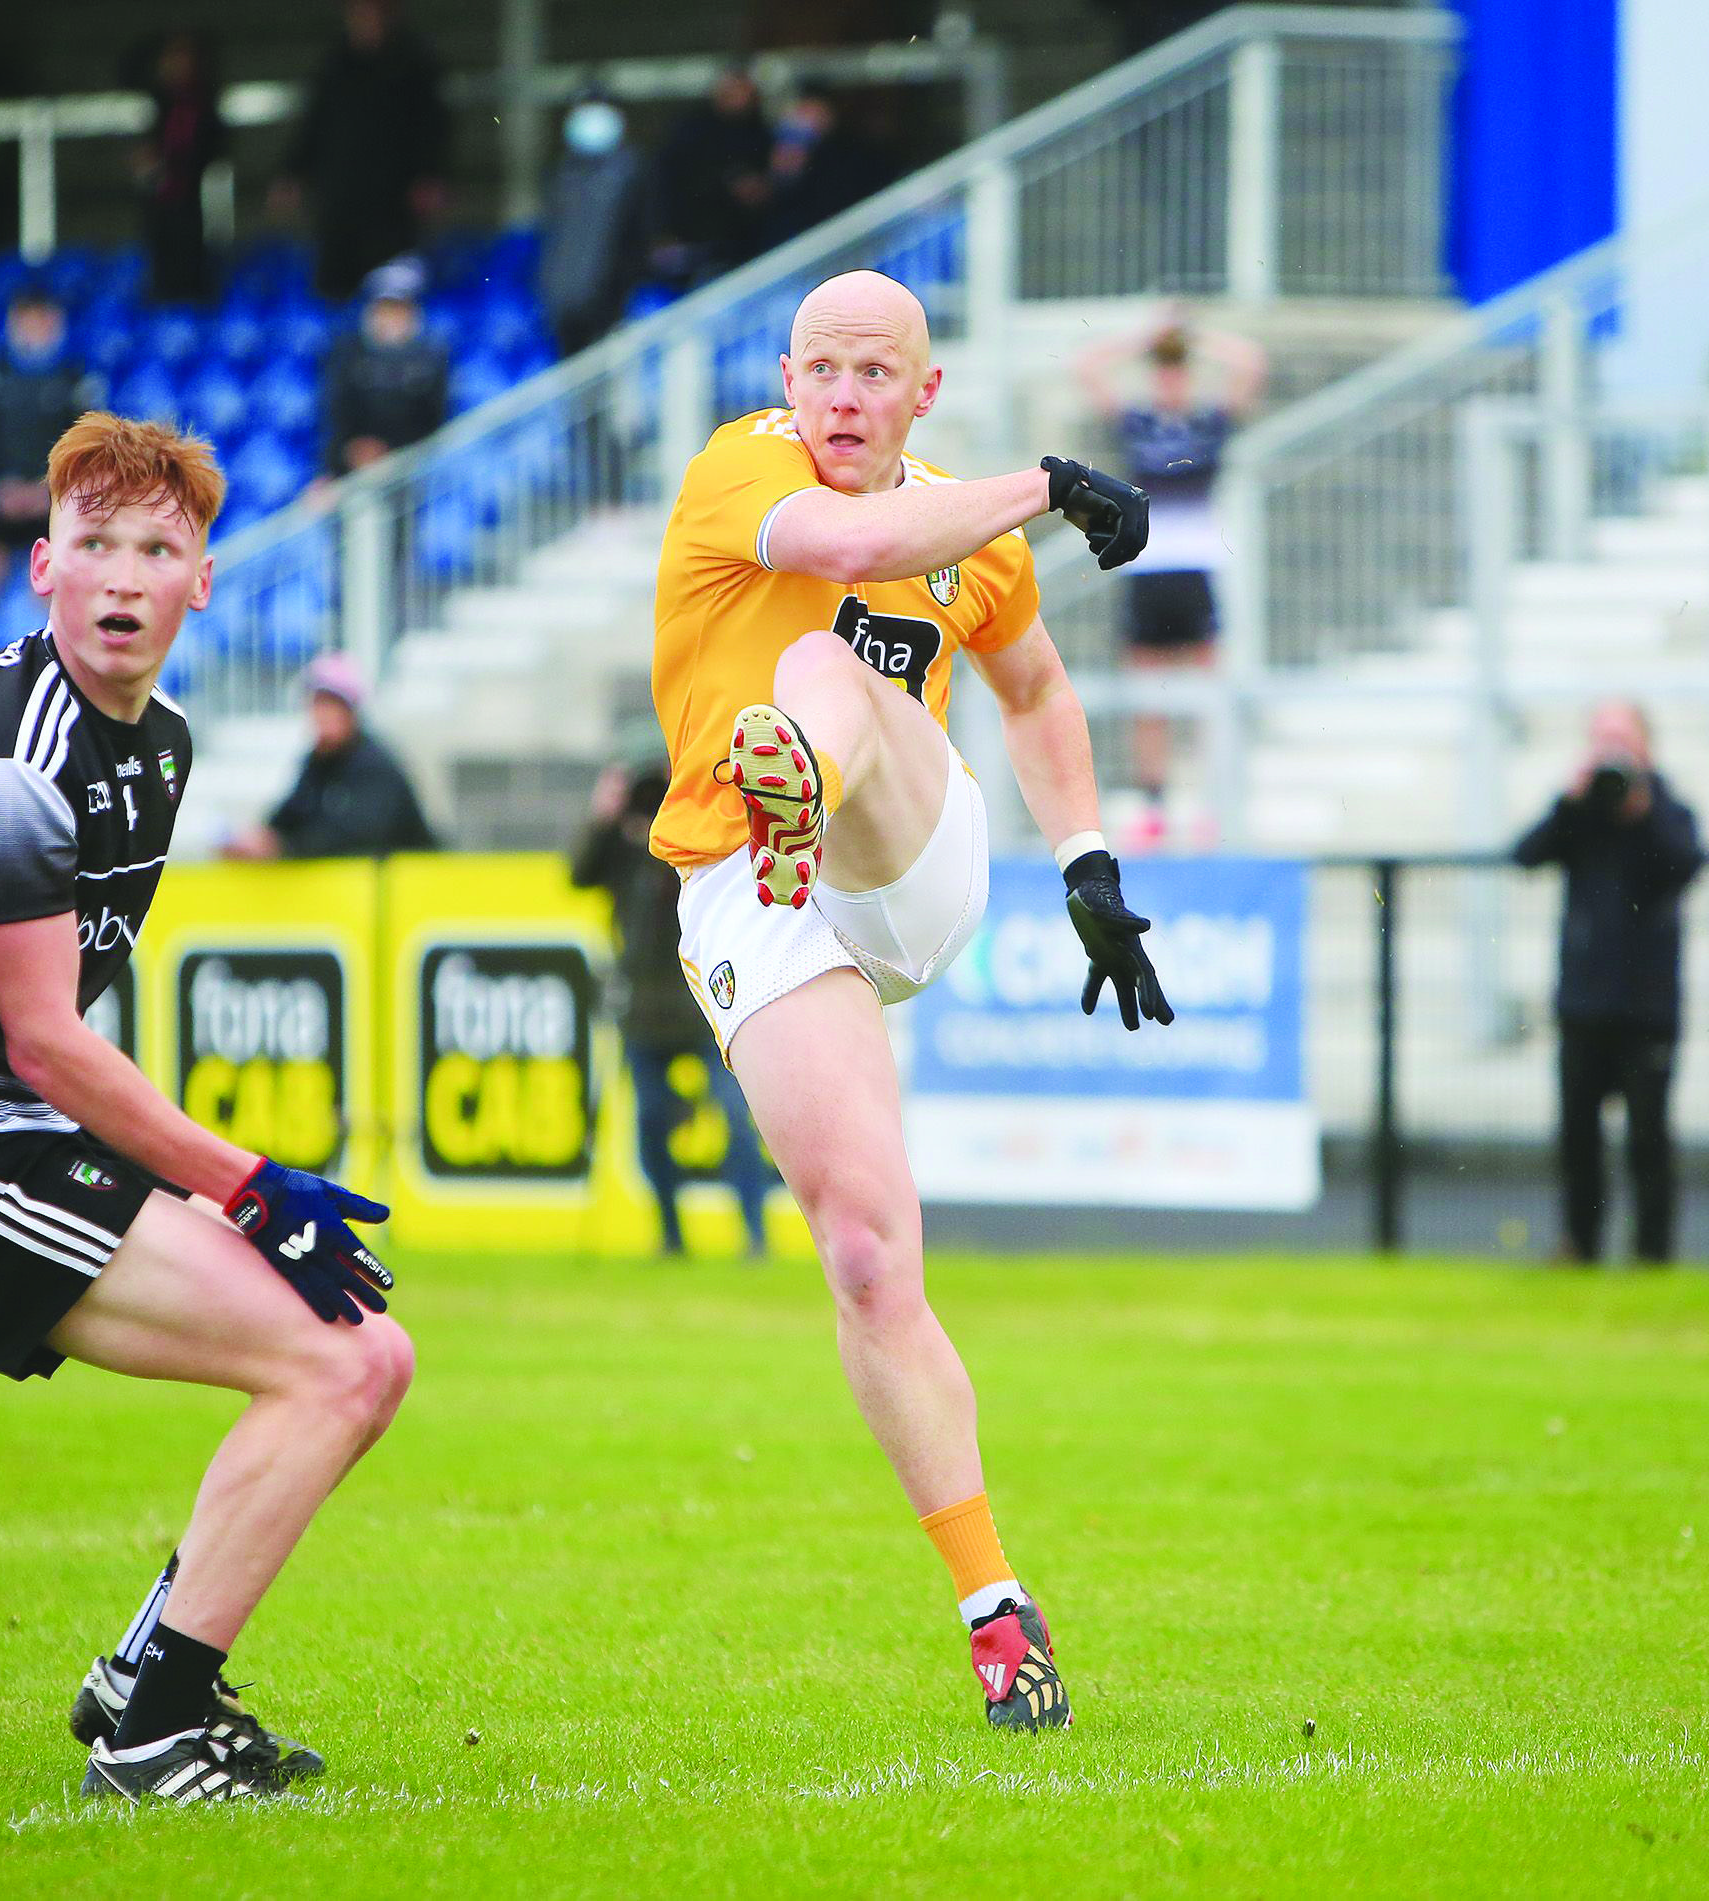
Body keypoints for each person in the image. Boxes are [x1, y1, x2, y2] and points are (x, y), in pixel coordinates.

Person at [0, 413, 409, 1805]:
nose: (124, 576)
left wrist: (214, 1182)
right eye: (95, 543)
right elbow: (42, 1043)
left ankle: (146, 1679)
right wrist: (250, 1184)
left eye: (158, 547)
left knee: (360, 1355)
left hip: (13, 1137)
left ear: (204, 580)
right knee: (338, 1364)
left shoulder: (163, 743)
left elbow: (59, 1040)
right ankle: (154, 1726)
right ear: (44, 567)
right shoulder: (4, 759)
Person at [649, 269, 1166, 1733]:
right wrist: (1054, 481)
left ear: (921, 392)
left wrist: (1088, 862)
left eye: (876, 374)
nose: (844, 399)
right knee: (870, 1257)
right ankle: (999, 1610)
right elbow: (858, 537)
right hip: (748, 889)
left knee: (819, 659)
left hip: (905, 869)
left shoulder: (964, 531)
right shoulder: (739, 469)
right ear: (787, 376)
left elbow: (1040, 690)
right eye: (823, 369)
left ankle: (803, 770)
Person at [1513, 701, 1705, 1266]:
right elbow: (1525, 855)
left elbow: (1685, 865)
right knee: (1578, 1138)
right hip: (1584, 1003)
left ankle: (1652, 1252)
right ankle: (1580, 1243)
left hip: (1646, 1006)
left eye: (1621, 737)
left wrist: (1644, 810)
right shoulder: (1581, 813)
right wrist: (1570, 802)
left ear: (1647, 744)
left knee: (1648, 1138)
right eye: (1601, 737)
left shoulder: (1666, 809)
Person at [1075, 305, 1268, 848]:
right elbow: (1087, 367)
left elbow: (1252, 364)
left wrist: (1194, 336)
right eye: (1164, 369)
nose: (1171, 380)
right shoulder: (1137, 423)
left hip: (1197, 569)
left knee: (1205, 695)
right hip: (1148, 571)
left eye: (1178, 369)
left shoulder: (1209, 423)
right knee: (1148, 696)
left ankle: (1206, 801)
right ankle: (1154, 804)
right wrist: (1144, 337)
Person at [572, 753, 771, 1258]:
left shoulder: (704, 841)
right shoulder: (622, 848)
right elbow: (577, 873)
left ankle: (754, 1234)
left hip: (708, 1005)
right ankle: (671, 1237)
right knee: (652, 1123)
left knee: (735, 1117)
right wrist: (605, 814)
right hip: (644, 1009)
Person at [273, 0, 450, 302]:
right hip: (340, 197)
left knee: (392, 287)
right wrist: (292, 173)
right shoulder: (335, 64)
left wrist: (430, 175)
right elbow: (314, 125)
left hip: (391, 201)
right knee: (334, 287)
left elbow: (432, 127)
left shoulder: (413, 65)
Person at [0, 287, 105, 612]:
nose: (35, 329)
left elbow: (89, 445)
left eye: (43, 321)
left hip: (55, 502)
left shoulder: (76, 379)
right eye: (27, 321)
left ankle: (49, 654)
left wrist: (50, 488)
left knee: (49, 590)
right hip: (3, 501)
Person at [226, 653, 436, 860]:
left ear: (351, 710)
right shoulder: (318, 761)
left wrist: (285, 847)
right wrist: (261, 838)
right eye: (318, 703)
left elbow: (360, 836)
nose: (323, 713)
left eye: (332, 704)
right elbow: (290, 814)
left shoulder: (375, 765)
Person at [537, 92, 655, 359]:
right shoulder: (563, 173)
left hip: (611, 301)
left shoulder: (632, 171)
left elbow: (640, 238)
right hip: (564, 302)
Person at [317, 260, 449, 481]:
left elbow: (436, 418)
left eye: (398, 307)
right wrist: (346, 456)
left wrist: (387, 449)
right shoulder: (349, 355)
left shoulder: (431, 358)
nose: (390, 316)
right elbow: (336, 416)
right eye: (385, 307)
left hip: (413, 470)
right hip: (355, 469)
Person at [653, 67, 772, 285]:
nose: (738, 98)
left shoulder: (760, 134)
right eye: (731, 91)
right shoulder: (691, 132)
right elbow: (667, 184)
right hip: (690, 239)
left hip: (741, 244)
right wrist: (663, 232)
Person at [137, 31, 223, 303]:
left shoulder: (203, 104)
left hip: (189, 203)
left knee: (191, 272)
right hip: (159, 206)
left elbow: (211, 149)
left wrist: (175, 166)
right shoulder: (158, 103)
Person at [762, 88, 897, 248]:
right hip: (788, 237)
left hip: (829, 236)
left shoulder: (847, 158)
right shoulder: (784, 145)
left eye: (811, 119)